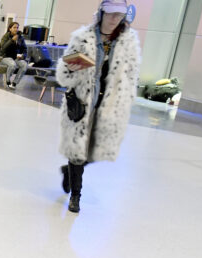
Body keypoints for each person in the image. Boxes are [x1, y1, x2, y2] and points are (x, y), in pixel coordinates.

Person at [56, 0, 140, 212]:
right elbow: (64, 73)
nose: (115, 19)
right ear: (102, 12)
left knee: (96, 151)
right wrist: (71, 68)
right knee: (77, 149)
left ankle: (69, 172)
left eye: (119, 15)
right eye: (111, 14)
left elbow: (131, 76)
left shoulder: (128, 42)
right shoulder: (83, 37)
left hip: (109, 104)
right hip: (83, 103)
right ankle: (76, 196)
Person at [0, 21, 29, 89]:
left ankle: (14, 83)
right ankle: (8, 81)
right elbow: (3, 48)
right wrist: (11, 40)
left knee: (24, 65)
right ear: (10, 29)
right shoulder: (5, 36)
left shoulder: (20, 37)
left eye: (17, 27)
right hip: (5, 57)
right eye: (14, 27)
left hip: (16, 57)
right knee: (12, 64)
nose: (16, 29)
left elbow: (24, 49)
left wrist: (23, 55)